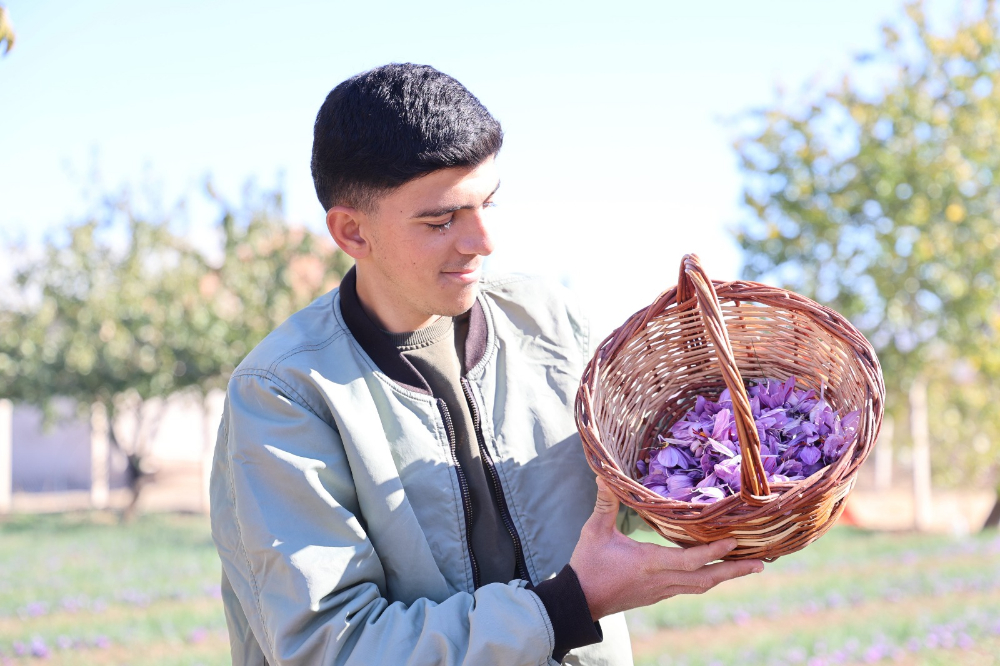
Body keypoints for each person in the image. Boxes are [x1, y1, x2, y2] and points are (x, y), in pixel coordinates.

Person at [209, 62, 764, 666]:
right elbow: (332, 646)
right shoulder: (284, 394)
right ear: (352, 232)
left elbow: (630, 491)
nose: (483, 241)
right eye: (441, 219)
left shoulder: (550, 322)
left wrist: (740, 473)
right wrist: (570, 605)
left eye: (487, 204)